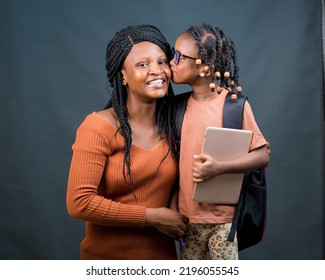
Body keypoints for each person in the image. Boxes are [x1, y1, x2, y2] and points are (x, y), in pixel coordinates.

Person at [66, 24, 188, 260]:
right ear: (122, 75)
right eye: (143, 64)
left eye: (162, 62)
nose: (157, 71)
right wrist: (152, 217)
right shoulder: (98, 127)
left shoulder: (175, 123)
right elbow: (79, 202)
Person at [170, 23, 270, 260]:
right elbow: (173, 165)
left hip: (224, 221)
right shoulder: (176, 108)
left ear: (204, 66)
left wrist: (219, 168)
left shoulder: (235, 105)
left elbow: (263, 155)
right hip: (187, 219)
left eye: (177, 56)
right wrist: (174, 207)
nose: (170, 61)